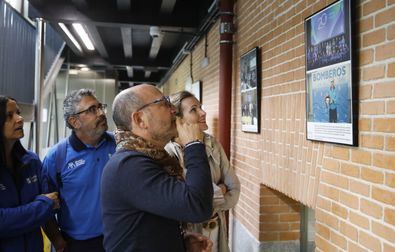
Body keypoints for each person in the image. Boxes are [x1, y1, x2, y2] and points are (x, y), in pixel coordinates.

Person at [101, 84, 214, 252]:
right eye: (164, 103)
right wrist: (194, 144)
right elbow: (197, 206)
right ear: (140, 120)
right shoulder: (128, 166)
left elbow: (147, 223)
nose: (174, 110)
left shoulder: (150, 158)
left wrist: (180, 241)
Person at [165, 91, 240, 252]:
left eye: (201, 107)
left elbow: (234, 189)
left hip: (217, 230)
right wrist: (221, 190)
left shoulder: (212, 143)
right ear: (178, 119)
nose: (203, 112)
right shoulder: (167, 152)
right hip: (190, 236)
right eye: (194, 109)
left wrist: (206, 200)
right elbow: (186, 203)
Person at [42, 89, 116, 251]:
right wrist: (58, 242)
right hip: (77, 244)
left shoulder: (119, 145)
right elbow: (44, 207)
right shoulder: (57, 157)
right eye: (92, 110)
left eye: (100, 107)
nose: (101, 113)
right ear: (74, 122)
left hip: (118, 238)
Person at [0, 95, 60, 252]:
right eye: (9, 115)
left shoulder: (31, 161)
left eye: (18, 113)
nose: (20, 119)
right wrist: (42, 204)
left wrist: (58, 240)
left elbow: (50, 210)